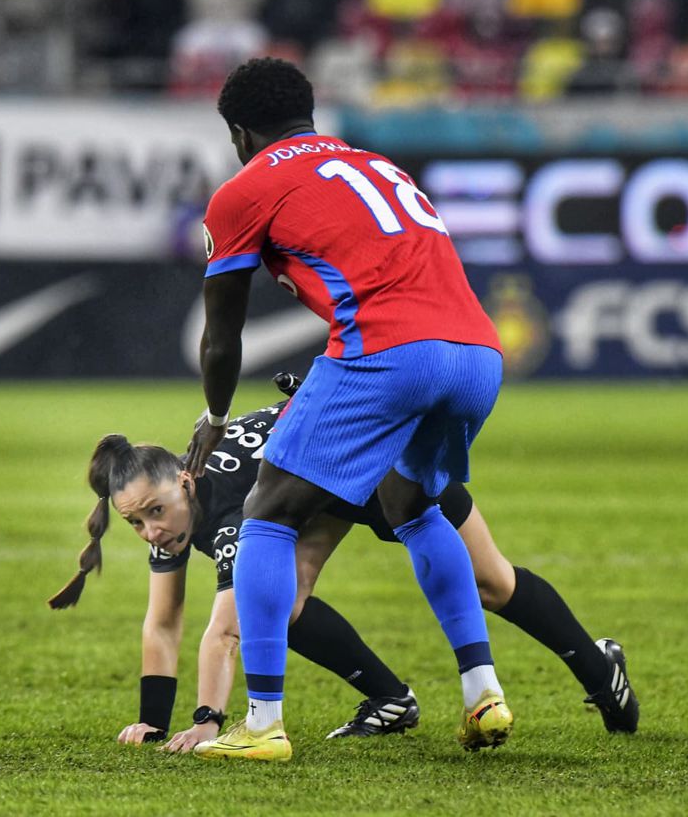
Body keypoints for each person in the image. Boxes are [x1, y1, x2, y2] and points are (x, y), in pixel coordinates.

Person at [184, 58, 632, 761]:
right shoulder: (376, 164)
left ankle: (263, 722)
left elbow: (223, 333)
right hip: (478, 353)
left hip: (390, 350)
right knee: (413, 506)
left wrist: (214, 415)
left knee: (268, 511)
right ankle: (483, 691)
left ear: (240, 134)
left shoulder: (245, 191)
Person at [52, 374, 637, 753]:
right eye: (135, 522)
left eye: (155, 512)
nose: (151, 530)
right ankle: (391, 700)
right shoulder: (169, 511)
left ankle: (598, 667)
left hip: (380, 463)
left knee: (492, 582)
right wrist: (153, 722)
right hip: (318, 493)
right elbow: (162, 621)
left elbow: (225, 631)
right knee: (288, 601)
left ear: (186, 479)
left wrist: (207, 719)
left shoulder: (225, 510)